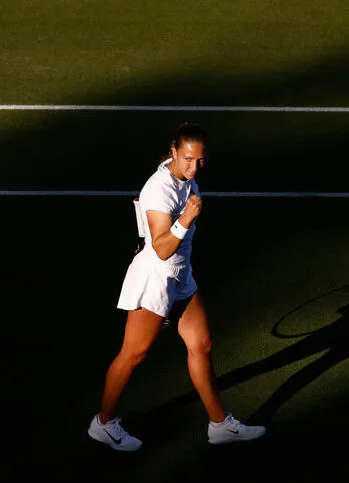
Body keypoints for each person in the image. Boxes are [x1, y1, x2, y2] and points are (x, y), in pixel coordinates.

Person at [88, 122, 266, 451]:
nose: (193, 166)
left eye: (200, 160)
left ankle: (219, 425)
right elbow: (161, 248)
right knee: (134, 353)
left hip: (181, 277)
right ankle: (103, 423)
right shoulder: (160, 189)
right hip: (156, 277)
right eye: (187, 159)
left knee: (201, 345)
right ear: (174, 152)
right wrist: (186, 219)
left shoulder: (186, 179)